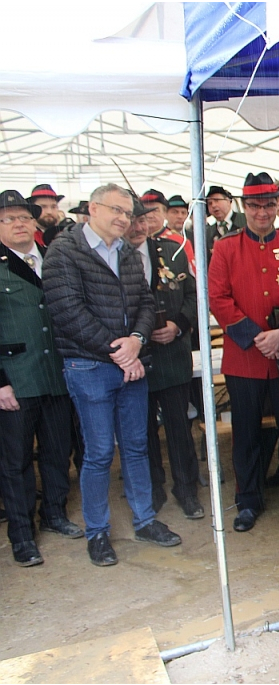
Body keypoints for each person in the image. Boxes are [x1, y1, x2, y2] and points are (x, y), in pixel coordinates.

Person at [43, 183, 182, 566]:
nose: (124, 219)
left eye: (129, 213)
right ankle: (98, 533)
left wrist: (137, 339)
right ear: (93, 209)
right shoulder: (64, 251)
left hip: (130, 363)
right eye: (117, 211)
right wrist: (121, 352)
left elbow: (144, 301)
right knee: (100, 452)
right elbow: (68, 312)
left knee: (137, 446)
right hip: (89, 366)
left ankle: (145, 521)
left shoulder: (127, 252)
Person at [208, 172, 279, 532]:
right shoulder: (225, 248)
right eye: (254, 205)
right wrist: (259, 338)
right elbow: (218, 298)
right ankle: (248, 501)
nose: (262, 212)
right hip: (245, 359)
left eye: (268, 204)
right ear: (244, 207)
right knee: (246, 434)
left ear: (276, 205)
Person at [0, 190, 82, 568]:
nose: (19, 224)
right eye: (9, 219)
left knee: (56, 451)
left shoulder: (49, 260)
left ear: (35, 223)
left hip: (54, 375)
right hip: (16, 379)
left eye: (24, 218)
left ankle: (53, 513)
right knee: (15, 461)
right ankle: (22, 534)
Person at [125, 204, 203, 519]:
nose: (138, 226)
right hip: (136, 362)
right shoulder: (112, 258)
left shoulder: (172, 251)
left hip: (172, 356)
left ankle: (187, 491)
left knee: (179, 429)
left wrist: (178, 325)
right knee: (142, 433)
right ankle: (152, 490)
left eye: (142, 219)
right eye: (131, 220)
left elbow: (193, 295)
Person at [141, 189, 196, 275]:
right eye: (145, 210)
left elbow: (193, 277)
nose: (149, 215)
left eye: (155, 210)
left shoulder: (180, 242)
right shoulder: (135, 240)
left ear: (164, 213)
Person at [205, 185, 246, 256]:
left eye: (217, 200)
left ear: (228, 201)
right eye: (210, 203)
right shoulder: (208, 233)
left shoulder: (246, 220)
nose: (213, 205)